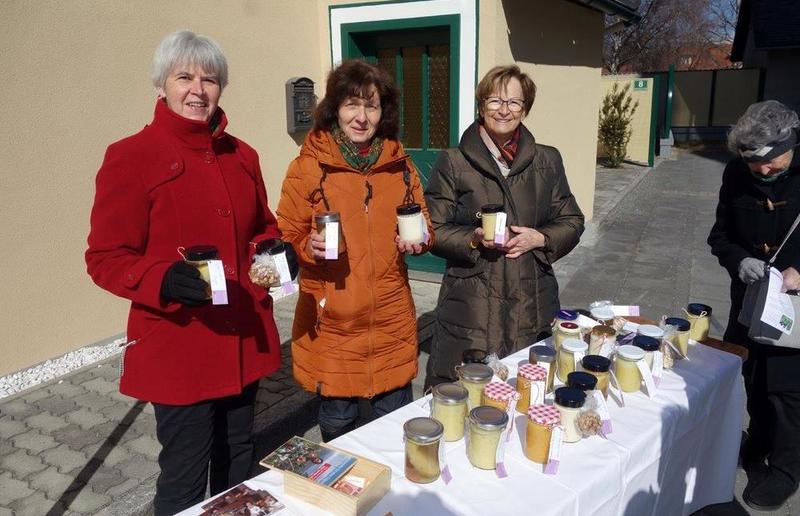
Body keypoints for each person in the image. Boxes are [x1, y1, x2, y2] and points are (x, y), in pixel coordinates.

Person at [86, 31, 292, 515]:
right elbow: (105, 257)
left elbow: (262, 228)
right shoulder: (130, 156)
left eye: (210, 79)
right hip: (181, 346)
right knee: (184, 473)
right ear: (162, 85)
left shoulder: (242, 156)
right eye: (185, 77)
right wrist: (160, 279)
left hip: (243, 337)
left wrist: (277, 256)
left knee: (239, 459)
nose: (198, 89)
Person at [277, 59, 434, 442]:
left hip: (390, 318)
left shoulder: (400, 165)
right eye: (352, 104)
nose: (361, 117)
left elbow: (424, 222)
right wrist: (307, 247)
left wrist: (420, 240)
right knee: (337, 423)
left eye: (371, 105)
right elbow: (286, 233)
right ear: (335, 108)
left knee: (394, 424)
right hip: (333, 322)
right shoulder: (308, 167)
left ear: (384, 112)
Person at [423, 65, 584, 387]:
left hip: (531, 297)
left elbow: (572, 219)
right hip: (473, 302)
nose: (504, 110)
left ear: (525, 109)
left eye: (514, 102)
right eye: (495, 100)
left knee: (527, 392)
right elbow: (433, 228)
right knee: (466, 394)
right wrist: (473, 238)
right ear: (481, 105)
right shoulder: (453, 161)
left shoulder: (547, 160)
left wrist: (541, 237)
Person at [708, 100, 800, 511]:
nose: (762, 172)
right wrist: (737, 259)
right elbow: (720, 235)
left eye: (770, 163)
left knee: (788, 391)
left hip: (794, 308)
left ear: (790, 144)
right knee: (750, 372)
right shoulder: (736, 174)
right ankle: (758, 445)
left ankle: (786, 469)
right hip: (749, 301)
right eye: (753, 165)